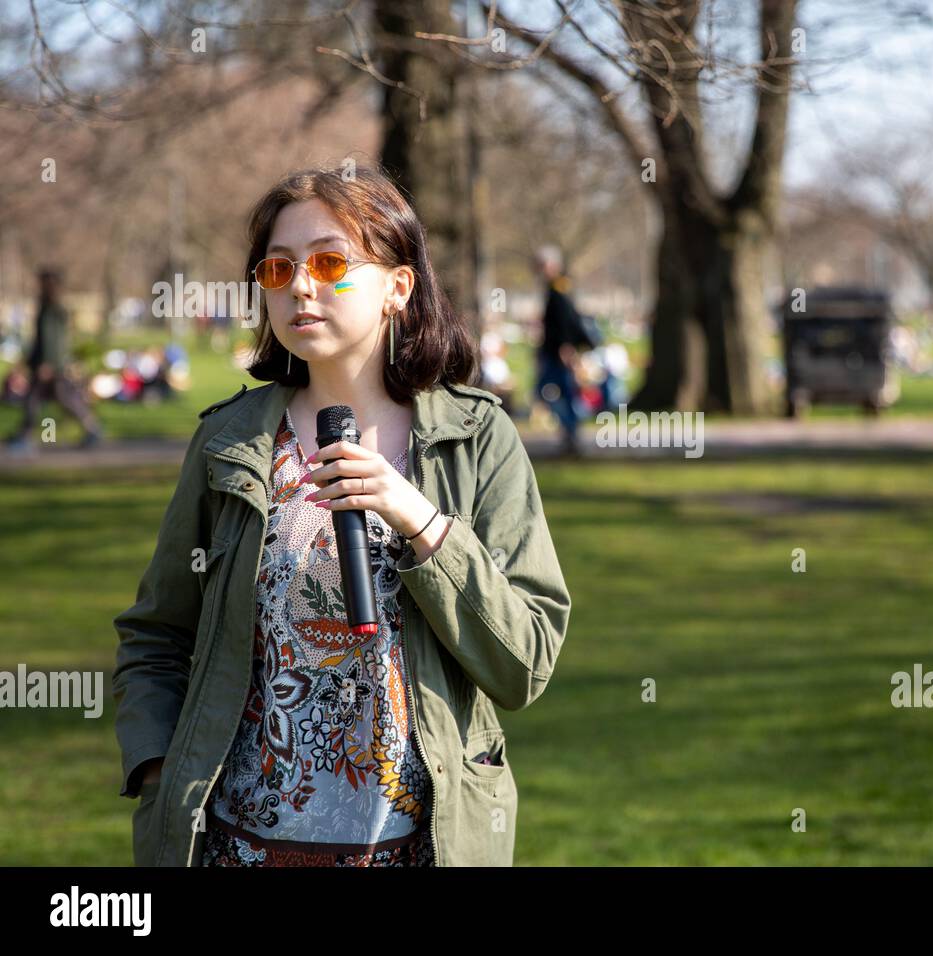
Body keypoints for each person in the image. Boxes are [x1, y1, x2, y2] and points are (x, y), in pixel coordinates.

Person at [112, 164, 571, 867]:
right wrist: (158, 772)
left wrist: (419, 518)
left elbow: (524, 662)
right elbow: (156, 635)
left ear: (398, 285)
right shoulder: (230, 442)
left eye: (329, 262)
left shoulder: (476, 438)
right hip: (243, 848)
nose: (299, 284)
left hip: (419, 848)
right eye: (277, 268)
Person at [5, 268, 103, 452]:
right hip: (44, 364)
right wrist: (28, 361)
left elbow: (54, 339)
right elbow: (40, 339)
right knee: (59, 399)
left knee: (39, 400)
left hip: (50, 366)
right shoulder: (46, 307)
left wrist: (48, 363)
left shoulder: (53, 310)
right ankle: (92, 429)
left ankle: (25, 436)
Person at [532, 245, 586, 456]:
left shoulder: (558, 288)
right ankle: (570, 431)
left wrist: (566, 347)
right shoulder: (555, 287)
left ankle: (571, 430)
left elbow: (565, 320)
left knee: (551, 391)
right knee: (559, 392)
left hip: (557, 353)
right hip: (553, 351)